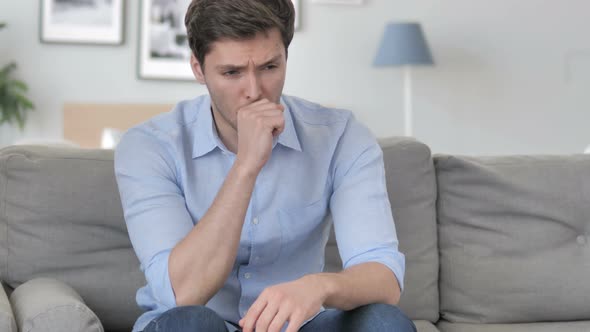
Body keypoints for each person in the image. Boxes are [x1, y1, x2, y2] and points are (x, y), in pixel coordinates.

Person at [114, 1, 416, 331]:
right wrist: (246, 165)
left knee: (385, 323)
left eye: (269, 67)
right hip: (195, 322)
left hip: (300, 325)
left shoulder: (340, 137)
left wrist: (319, 286)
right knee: (188, 323)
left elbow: (383, 276)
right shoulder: (149, 146)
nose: (255, 91)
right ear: (198, 69)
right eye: (232, 73)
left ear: (286, 57)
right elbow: (184, 292)